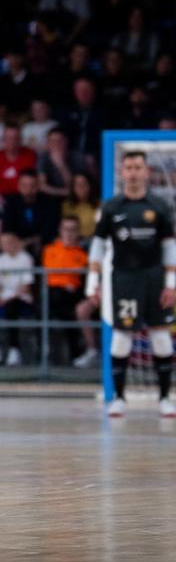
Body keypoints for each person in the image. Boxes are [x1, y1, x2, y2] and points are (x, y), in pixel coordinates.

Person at [86, 151, 176, 418]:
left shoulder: (159, 206)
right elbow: (99, 246)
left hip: (154, 278)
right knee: (122, 337)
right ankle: (119, 399)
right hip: (124, 279)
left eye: (138, 167)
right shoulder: (112, 207)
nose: (134, 172)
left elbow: (170, 246)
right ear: (122, 172)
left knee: (161, 336)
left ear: (147, 172)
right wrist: (93, 283)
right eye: (129, 167)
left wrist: (171, 283)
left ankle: (164, 398)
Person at [43, 217, 92, 365]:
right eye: (66, 229)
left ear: (78, 232)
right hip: (52, 293)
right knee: (52, 305)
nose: (69, 233)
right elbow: (50, 274)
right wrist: (68, 277)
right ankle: (45, 354)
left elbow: (82, 278)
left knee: (69, 309)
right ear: (60, 230)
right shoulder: (49, 250)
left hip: (73, 294)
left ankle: (74, 354)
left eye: (73, 230)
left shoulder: (83, 254)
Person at [0, 232, 34, 366]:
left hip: (21, 298)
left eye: (9, 242)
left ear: (16, 242)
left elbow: (26, 287)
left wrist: (7, 298)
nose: (6, 246)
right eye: (3, 243)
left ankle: (15, 349)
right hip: (4, 297)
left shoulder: (26, 258)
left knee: (11, 309)